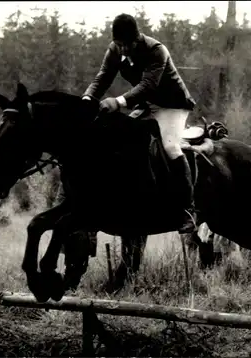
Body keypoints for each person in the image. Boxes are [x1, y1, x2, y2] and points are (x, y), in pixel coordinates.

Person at [82, 13, 197, 233]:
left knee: (171, 147)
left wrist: (118, 101)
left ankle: (188, 209)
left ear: (137, 39)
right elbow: (103, 76)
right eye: (119, 44)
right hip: (146, 105)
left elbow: (148, 85)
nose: (122, 49)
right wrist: (87, 99)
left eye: (126, 45)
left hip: (172, 105)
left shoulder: (156, 50)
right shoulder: (115, 49)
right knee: (122, 138)